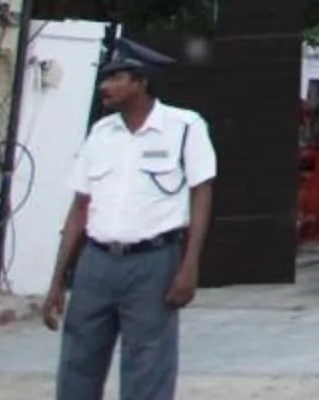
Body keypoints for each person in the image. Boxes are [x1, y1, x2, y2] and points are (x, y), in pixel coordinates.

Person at [43, 37, 217, 400]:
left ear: (141, 81)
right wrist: (57, 281)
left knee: (148, 366)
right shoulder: (101, 133)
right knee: (78, 362)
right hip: (96, 264)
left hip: (153, 263)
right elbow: (79, 208)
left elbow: (201, 196)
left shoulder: (184, 127)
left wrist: (190, 266)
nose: (105, 86)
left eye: (115, 77)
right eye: (105, 78)